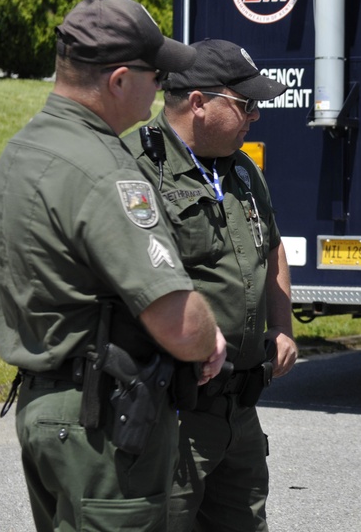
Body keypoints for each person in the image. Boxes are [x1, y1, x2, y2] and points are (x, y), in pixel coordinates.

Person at [0, 0, 227, 531]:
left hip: (47, 407)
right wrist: (209, 338)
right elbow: (180, 323)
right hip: (104, 424)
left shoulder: (22, 151)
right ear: (119, 80)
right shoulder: (103, 169)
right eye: (156, 72)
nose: (164, 86)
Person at [125, 38, 298, 532]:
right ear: (199, 103)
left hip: (238, 408)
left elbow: (272, 246)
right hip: (171, 409)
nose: (256, 116)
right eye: (246, 104)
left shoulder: (241, 169)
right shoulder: (137, 165)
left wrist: (283, 327)